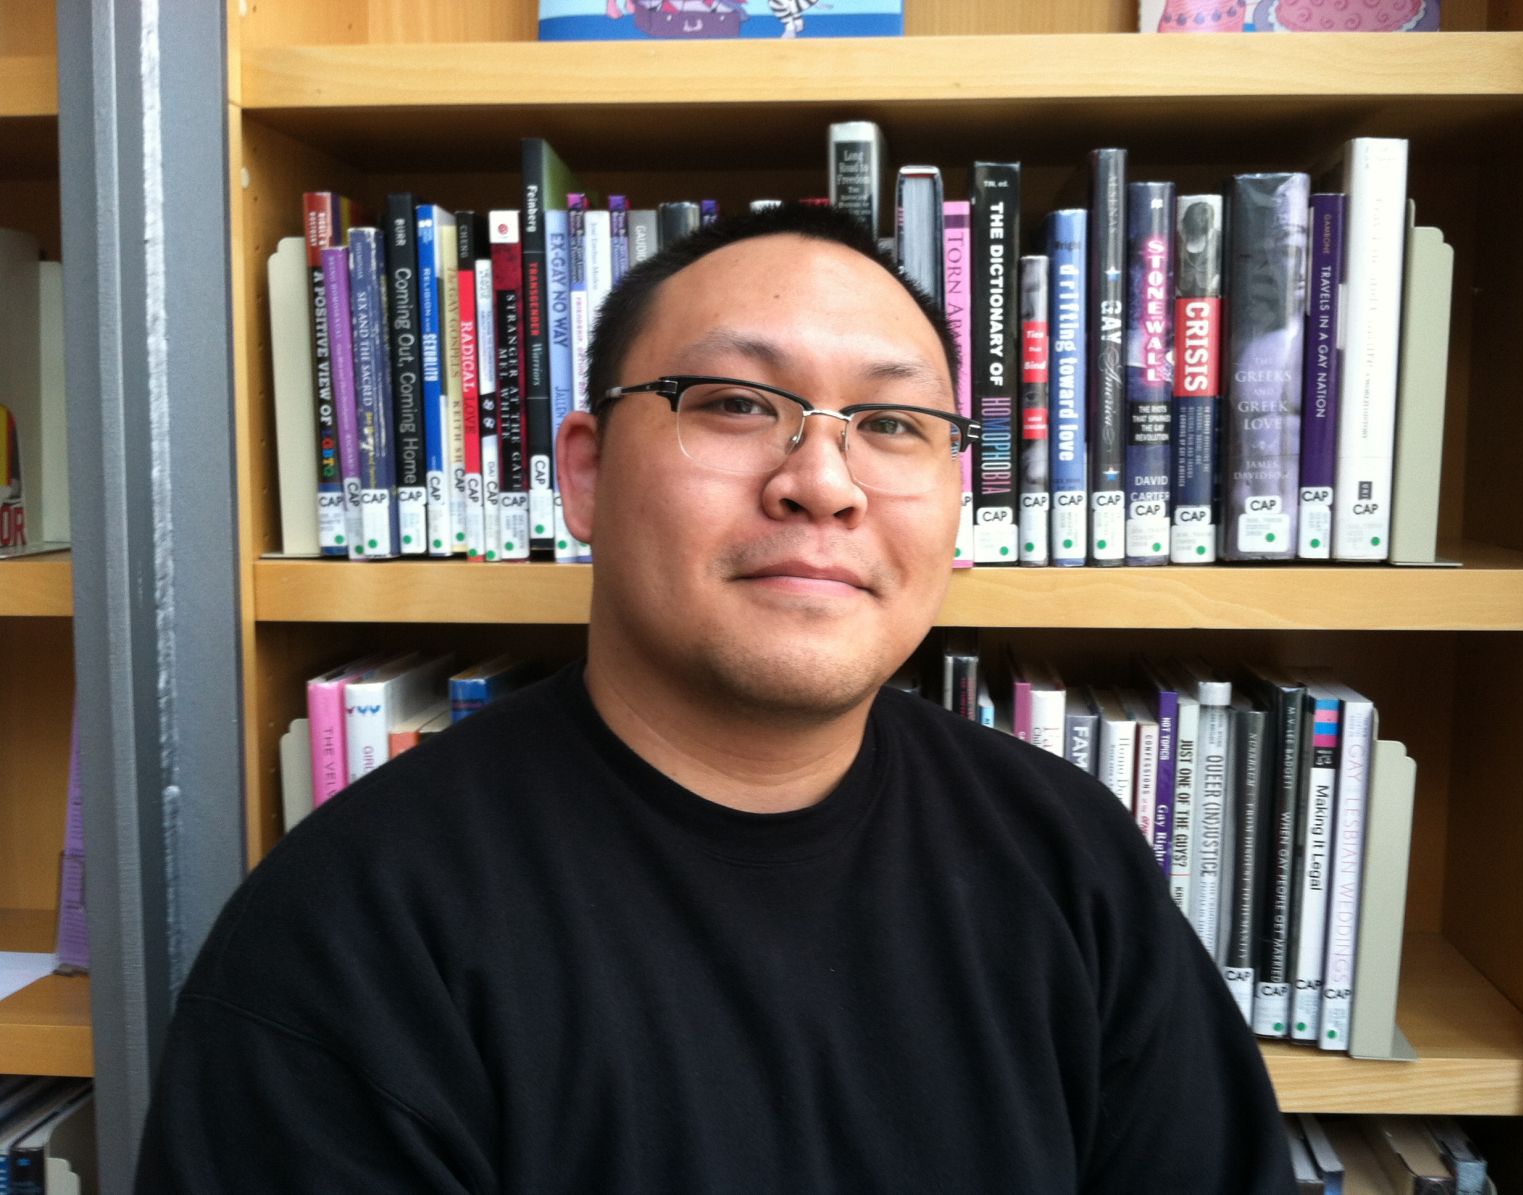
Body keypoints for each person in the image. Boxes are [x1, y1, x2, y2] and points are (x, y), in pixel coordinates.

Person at [136, 203, 1293, 1192]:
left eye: (892, 424)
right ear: (585, 474)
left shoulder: (1066, 852)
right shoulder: (354, 931)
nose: (822, 483)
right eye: (737, 403)